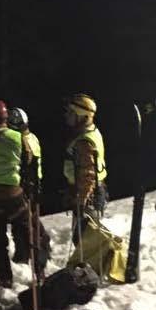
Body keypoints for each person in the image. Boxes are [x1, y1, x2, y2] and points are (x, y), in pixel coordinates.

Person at [0, 97, 48, 287]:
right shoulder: (18, 137)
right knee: (34, 233)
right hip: (14, 195)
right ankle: (39, 269)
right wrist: (32, 188)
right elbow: (29, 164)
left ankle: (5, 277)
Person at [7, 107, 50, 265]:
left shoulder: (20, 141)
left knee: (22, 222)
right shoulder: (32, 137)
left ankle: (26, 255)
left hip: (26, 186)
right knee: (29, 220)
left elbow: (26, 164)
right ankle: (38, 248)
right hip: (33, 184)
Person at [63, 93, 107, 243]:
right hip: (92, 192)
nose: (67, 116)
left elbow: (88, 175)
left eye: (71, 113)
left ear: (83, 116)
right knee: (86, 239)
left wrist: (81, 202)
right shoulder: (90, 132)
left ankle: (94, 266)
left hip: (87, 196)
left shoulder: (84, 142)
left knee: (84, 241)